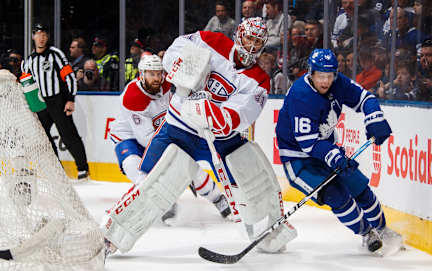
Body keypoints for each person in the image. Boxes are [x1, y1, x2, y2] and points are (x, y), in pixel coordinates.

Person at [102, 17, 297, 256]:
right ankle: (113, 235)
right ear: (239, 34)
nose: (251, 46)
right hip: (178, 127)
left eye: (257, 42)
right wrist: (180, 69)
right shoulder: (211, 40)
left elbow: (243, 114)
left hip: (219, 139)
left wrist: (216, 115)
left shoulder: (259, 80)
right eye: (248, 38)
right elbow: (175, 50)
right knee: (151, 182)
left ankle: (268, 233)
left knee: (249, 177)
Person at [275, 48, 403, 255]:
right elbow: (308, 143)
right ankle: (367, 233)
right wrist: (335, 156)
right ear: (311, 73)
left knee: (360, 188)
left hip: (326, 151)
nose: (325, 81)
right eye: (320, 76)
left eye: (329, 76)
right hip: (299, 160)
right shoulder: (301, 95)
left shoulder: (338, 83)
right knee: (336, 195)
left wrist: (375, 117)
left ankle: (383, 229)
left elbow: (365, 99)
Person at [109, 54, 231, 220]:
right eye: (151, 74)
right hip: (129, 137)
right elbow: (146, 139)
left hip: (159, 133)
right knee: (134, 168)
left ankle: (218, 199)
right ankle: (162, 201)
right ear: (141, 74)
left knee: (189, 166)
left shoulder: (166, 84)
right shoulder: (133, 97)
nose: (157, 78)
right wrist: (174, 160)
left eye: (159, 73)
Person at [21, 24, 89, 180]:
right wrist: (30, 105)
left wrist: (70, 100)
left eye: (44, 34)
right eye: (38, 34)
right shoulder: (29, 60)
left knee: (68, 135)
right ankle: (57, 170)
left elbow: (69, 76)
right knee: (42, 138)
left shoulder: (55, 54)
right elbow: (27, 84)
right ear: (33, 37)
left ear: (48, 36)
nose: (41, 37)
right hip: (41, 104)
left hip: (58, 100)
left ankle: (83, 168)